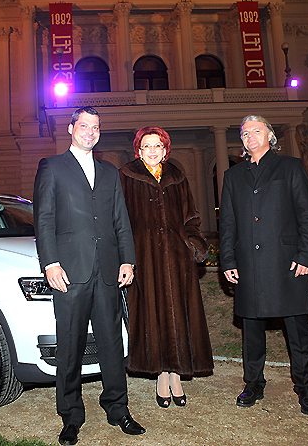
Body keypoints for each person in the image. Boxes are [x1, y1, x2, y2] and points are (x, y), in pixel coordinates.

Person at [33, 106, 146, 445]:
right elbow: (44, 220)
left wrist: (128, 260)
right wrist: (50, 263)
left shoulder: (110, 172)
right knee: (70, 344)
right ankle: (70, 414)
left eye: (95, 127)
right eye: (84, 125)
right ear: (71, 128)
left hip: (108, 270)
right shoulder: (52, 167)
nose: (90, 131)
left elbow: (120, 221)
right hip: (69, 270)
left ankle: (117, 407)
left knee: (113, 342)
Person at [219, 114, 308, 416]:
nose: (250, 136)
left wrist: (305, 255)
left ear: (270, 135)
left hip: (287, 263)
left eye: (256, 131)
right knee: (251, 331)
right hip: (249, 264)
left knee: (298, 332)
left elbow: (306, 216)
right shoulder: (233, 176)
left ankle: (306, 388)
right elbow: (227, 223)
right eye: (245, 133)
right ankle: (253, 383)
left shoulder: (290, 167)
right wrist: (227, 259)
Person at [118, 126, 213, 409]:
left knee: (179, 315)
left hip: (177, 258)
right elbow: (120, 219)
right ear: (138, 150)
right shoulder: (126, 176)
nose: (152, 150)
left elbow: (191, 216)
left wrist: (192, 243)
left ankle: (177, 374)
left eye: (157, 145)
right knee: (152, 314)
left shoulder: (177, 176)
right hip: (144, 258)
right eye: (146, 146)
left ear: (165, 149)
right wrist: (126, 256)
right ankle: (161, 375)